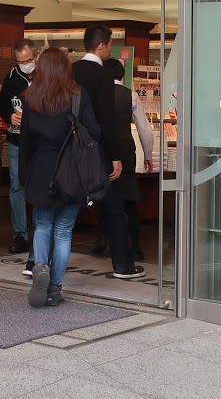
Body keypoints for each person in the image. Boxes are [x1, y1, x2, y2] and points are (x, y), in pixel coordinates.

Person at [19, 47, 102, 308]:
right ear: (67, 68)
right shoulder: (77, 96)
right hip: (72, 172)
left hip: (41, 170)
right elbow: (95, 133)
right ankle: (54, 288)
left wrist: (24, 177)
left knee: (43, 225)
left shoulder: (31, 97)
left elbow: (26, 143)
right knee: (64, 231)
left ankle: (40, 268)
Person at [71, 25, 144, 279]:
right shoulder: (102, 76)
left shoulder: (70, 71)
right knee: (114, 207)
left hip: (71, 150)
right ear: (101, 46)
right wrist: (115, 156)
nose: (110, 49)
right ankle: (123, 264)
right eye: (110, 44)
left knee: (64, 207)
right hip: (99, 150)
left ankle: (41, 261)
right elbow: (108, 120)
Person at [107, 57, 155, 256]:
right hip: (126, 149)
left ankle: (105, 242)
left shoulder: (97, 95)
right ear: (122, 75)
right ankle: (135, 246)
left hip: (104, 150)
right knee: (128, 199)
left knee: (105, 197)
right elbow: (144, 128)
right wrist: (148, 154)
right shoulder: (130, 95)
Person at [0, 39, 37, 261]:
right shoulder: (12, 78)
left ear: (36, 56)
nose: (26, 64)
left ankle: (40, 231)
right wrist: (8, 116)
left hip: (39, 142)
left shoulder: (45, 76)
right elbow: (2, 103)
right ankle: (20, 234)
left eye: (29, 60)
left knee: (39, 184)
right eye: (21, 61)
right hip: (16, 139)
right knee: (16, 186)